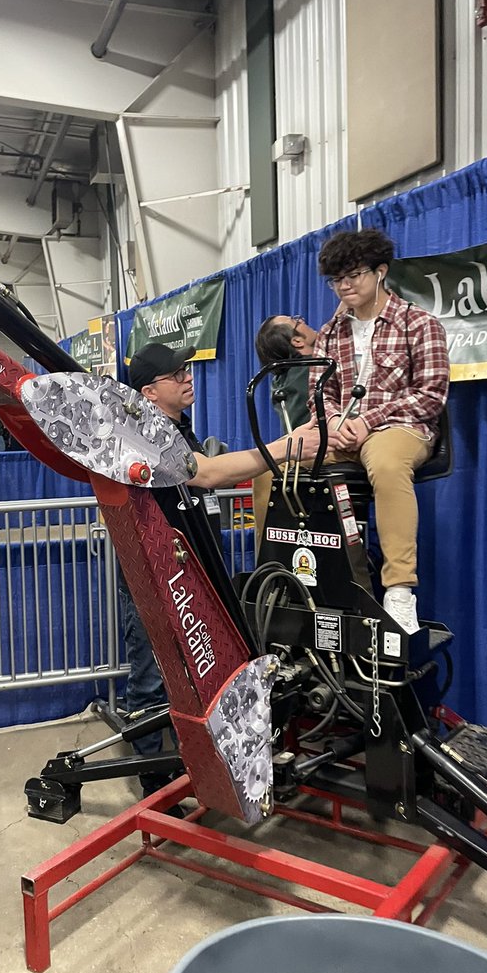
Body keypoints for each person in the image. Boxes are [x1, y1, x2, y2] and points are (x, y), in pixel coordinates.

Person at [121, 341, 335, 803]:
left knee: (205, 675)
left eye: (187, 369)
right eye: (176, 374)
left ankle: (207, 768)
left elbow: (214, 471)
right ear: (149, 392)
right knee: (152, 680)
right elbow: (207, 474)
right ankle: (154, 784)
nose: (188, 378)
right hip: (156, 584)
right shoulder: (144, 436)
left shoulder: (183, 431)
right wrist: (285, 447)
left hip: (195, 579)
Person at [312, 227, 450, 633]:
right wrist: (333, 421)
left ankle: (399, 591)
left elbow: (430, 394)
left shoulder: (419, 323)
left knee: (388, 465)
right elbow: (319, 393)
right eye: (336, 279)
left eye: (354, 275)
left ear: (381, 271)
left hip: (401, 428)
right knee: (273, 466)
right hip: (342, 432)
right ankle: (286, 573)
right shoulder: (330, 333)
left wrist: (367, 422)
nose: (345, 285)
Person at [252, 314, 317, 543]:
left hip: (310, 447)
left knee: (263, 467)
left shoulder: (282, 376)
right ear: (297, 341)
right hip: (315, 446)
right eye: (297, 320)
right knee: (265, 467)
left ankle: (265, 553)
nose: (304, 321)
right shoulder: (308, 369)